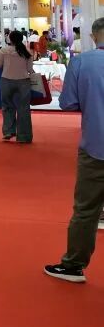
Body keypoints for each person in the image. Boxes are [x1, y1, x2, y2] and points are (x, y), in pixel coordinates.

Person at [44, 17, 104, 284]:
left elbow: (67, 103)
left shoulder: (81, 62)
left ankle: (74, 265)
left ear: (93, 36)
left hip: (96, 146)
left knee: (86, 210)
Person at [0, 31, 36, 144]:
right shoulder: (27, 51)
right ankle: (24, 136)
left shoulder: (4, 50)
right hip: (23, 81)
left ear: (10, 39)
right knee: (23, 109)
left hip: (6, 80)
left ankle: (8, 131)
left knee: (7, 106)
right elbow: (29, 69)